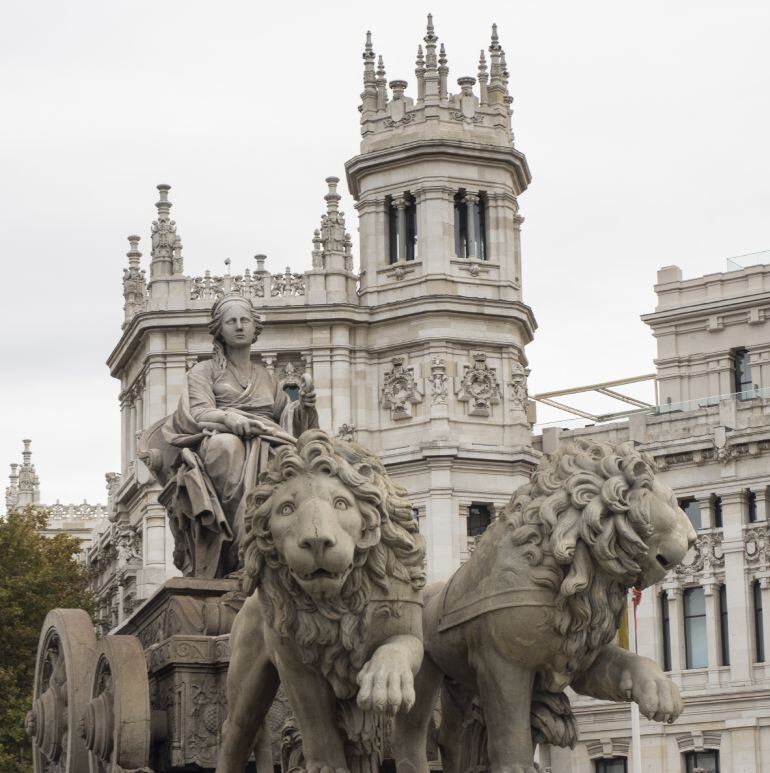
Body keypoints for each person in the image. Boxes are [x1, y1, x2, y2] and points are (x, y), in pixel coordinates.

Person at [162, 293, 318, 577]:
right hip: (221, 437)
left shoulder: (268, 377)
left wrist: (304, 408)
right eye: (231, 321)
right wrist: (230, 419)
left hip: (268, 439)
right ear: (219, 329)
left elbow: (286, 421)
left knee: (301, 464)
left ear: (254, 327)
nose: (239, 326)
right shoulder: (202, 371)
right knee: (228, 448)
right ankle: (240, 547)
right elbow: (198, 414)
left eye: (245, 320)